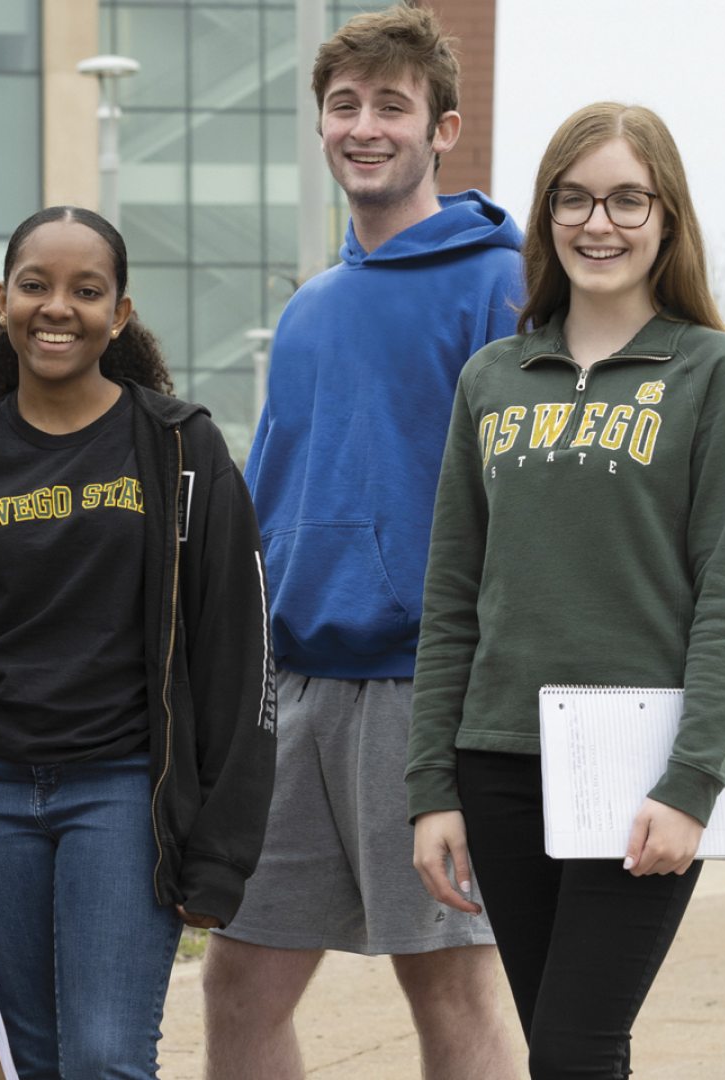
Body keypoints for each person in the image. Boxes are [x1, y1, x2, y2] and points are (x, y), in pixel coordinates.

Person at [0, 205, 276, 1079]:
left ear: (119, 313)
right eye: (36, 285)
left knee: (106, 1057)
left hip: (122, 793)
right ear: (2, 300)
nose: (58, 307)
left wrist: (220, 853)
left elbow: (241, 654)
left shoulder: (180, 451)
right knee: (16, 1062)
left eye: (87, 290)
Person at [407, 101, 725, 1078]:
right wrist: (432, 790)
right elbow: (450, 599)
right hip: (498, 761)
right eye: (573, 199)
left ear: (666, 218)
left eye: (625, 200)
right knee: (560, 1053)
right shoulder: (493, 377)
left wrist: (690, 781)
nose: (597, 223)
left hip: (642, 767)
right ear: (546, 214)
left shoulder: (713, 374)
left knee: (575, 1050)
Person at [204, 5, 527, 1078]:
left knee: (450, 986)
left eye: (393, 105)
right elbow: (268, 508)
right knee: (240, 981)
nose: (365, 126)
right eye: (345, 106)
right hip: (296, 692)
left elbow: (528, 506)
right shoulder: (309, 310)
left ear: (444, 128)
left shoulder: (501, 284)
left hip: (424, 692)